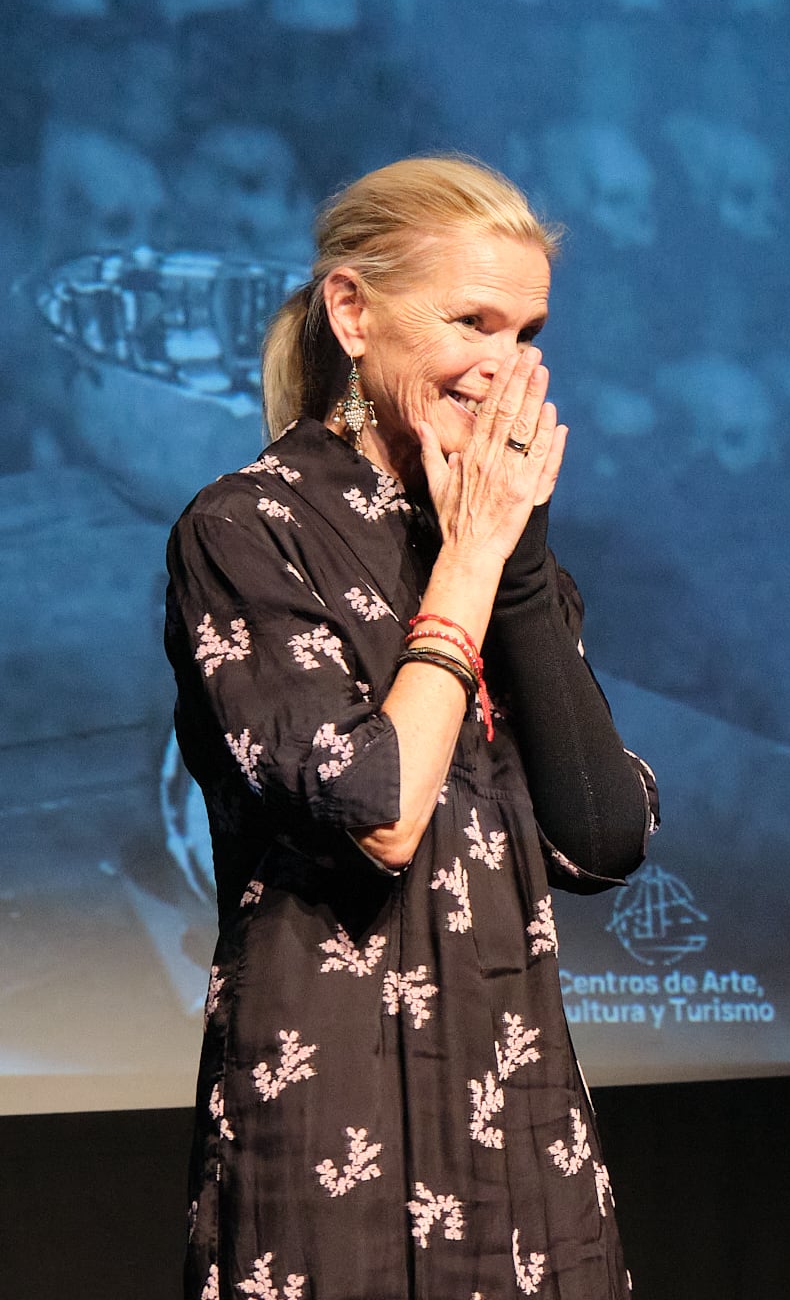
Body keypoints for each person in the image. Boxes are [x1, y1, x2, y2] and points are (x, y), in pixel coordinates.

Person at [165, 156, 657, 1298]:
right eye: (471, 321)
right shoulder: (248, 530)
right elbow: (378, 810)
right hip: (336, 1101)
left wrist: (518, 564)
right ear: (351, 310)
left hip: (517, 1096)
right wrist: (475, 561)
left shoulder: (502, 553)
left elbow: (603, 838)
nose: (503, 365)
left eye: (525, 331)